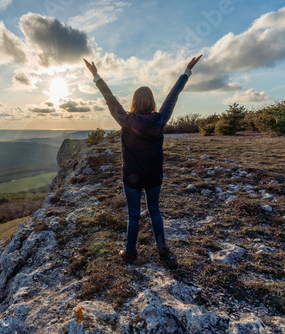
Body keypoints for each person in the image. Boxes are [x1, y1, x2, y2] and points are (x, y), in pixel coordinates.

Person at [83, 55, 202, 269]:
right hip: (154, 175)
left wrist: (96, 75)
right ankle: (162, 249)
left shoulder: (126, 120)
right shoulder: (160, 119)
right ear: (152, 103)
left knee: (133, 214)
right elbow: (173, 96)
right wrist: (186, 71)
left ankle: (130, 252)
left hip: (132, 176)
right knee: (155, 210)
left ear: (134, 102)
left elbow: (110, 100)